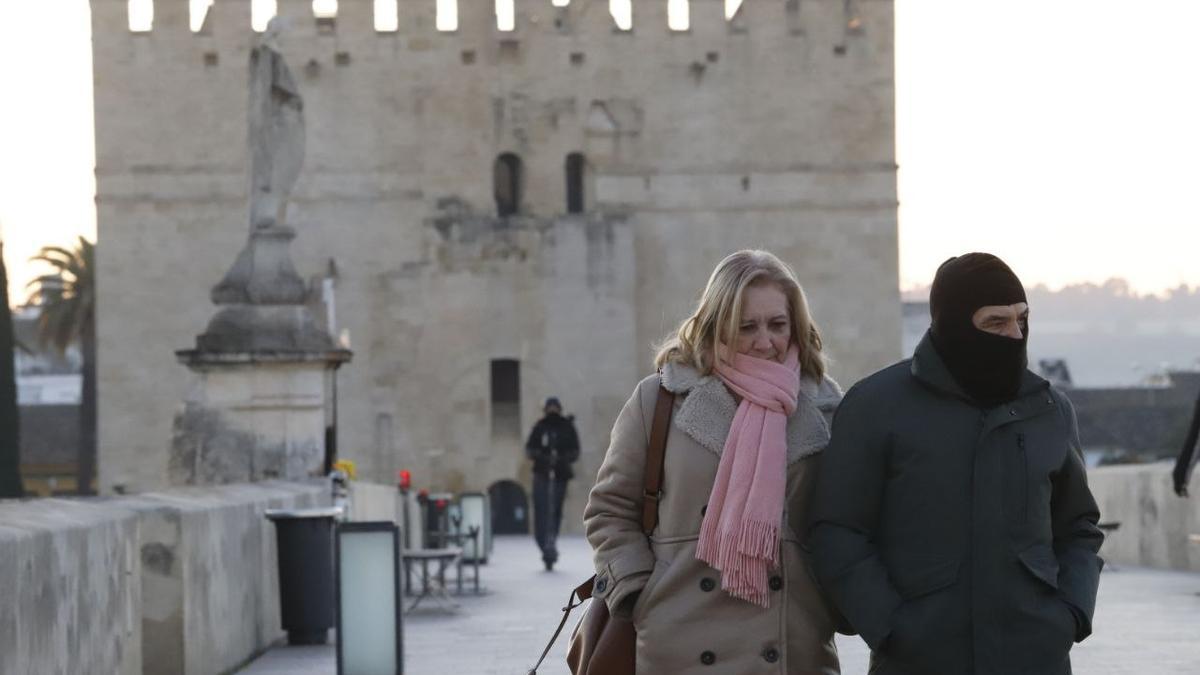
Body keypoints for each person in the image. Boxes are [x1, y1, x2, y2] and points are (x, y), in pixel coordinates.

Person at [808, 253, 1104, 675]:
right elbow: (839, 531)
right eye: (995, 323)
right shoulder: (876, 407)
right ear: (953, 324)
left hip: (1035, 658)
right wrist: (891, 626)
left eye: (1022, 319)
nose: (1015, 334)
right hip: (917, 661)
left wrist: (1070, 614)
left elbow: (1078, 528)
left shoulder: (1051, 410)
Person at [584, 250, 843, 673]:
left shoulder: (827, 409)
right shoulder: (660, 400)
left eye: (778, 325)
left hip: (793, 646)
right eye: (747, 327)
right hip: (679, 642)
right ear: (717, 325)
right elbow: (609, 509)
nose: (765, 341)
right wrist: (638, 593)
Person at [526, 396, 580, 570]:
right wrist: (543, 457)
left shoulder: (567, 426)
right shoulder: (540, 427)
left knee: (555, 511)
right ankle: (544, 546)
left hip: (560, 475)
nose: (552, 410)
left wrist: (562, 459)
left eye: (555, 407)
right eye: (550, 407)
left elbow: (575, 451)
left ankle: (551, 544)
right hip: (542, 474)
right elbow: (529, 449)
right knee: (541, 510)